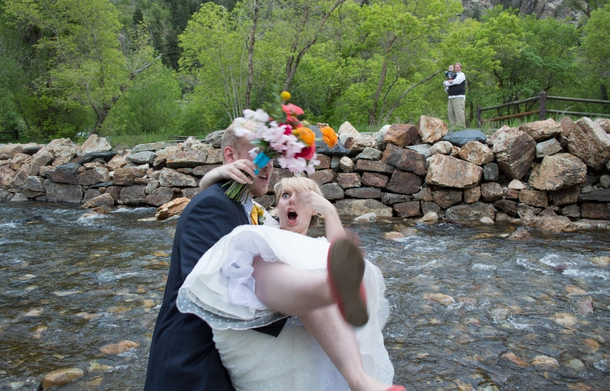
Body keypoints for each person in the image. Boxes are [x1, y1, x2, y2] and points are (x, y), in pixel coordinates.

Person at [179, 176, 404, 391]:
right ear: (277, 206)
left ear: (315, 208)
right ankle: (329, 288)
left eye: (302, 197)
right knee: (259, 249)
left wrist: (329, 210)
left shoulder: (320, 246)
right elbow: (222, 194)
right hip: (268, 333)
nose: (292, 200)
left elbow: (341, 254)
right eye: (285, 195)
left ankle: (357, 374)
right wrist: (214, 175)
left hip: (313, 342)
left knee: (327, 261)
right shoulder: (265, 229)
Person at [144, 124, 278, 391]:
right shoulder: (212, 206)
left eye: (272, 156)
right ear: (230, 156)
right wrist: (300, 311)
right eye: (260, 153)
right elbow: (213, 295)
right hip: (192, 368)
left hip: (227, 361)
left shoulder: (249, 209)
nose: (269, 165)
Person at [443, 62, 466, 129]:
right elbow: (445, 83)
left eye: (458, 67)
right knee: (451, 113)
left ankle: (461, 127)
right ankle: (453, 127)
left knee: (459, 112)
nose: (456, 68)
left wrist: (447, 83)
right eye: (455, 67)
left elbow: (456, 82)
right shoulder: (452, 75)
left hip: (458, 97)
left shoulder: (461, 75)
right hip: (451, 97)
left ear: (460, 68)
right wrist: (446, 84)